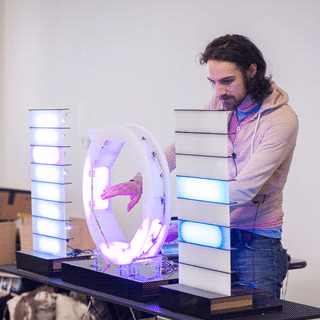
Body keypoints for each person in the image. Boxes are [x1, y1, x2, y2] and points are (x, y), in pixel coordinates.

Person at [101, 34, 298, 298]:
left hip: (256, 244)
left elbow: (242, 190)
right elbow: (178, 149)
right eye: (213, 83)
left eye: (227, 81)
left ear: (252, 71)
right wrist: (140, 180)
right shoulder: (220, 105)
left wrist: (183, 225)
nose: (219, 91)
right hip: (213, 236)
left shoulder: (281, 119)